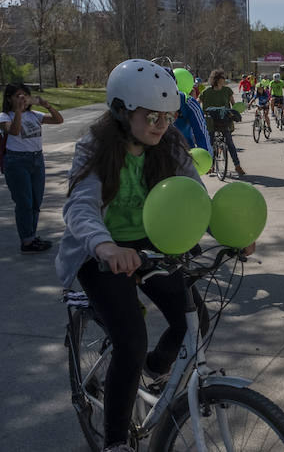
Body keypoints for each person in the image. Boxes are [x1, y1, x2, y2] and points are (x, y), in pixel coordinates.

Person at [54, 59, 256, 452]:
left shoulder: (170, 146)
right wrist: (106, 246)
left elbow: (196, 198)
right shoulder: (95, 147)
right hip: (101, 251)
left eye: (167, 117)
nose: (161, 125)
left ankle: (153, 369)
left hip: (152, 245)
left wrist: (231, 234)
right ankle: (115, 442)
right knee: (130, 339)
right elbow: (80, 207)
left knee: (192, 319)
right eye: (151, 117)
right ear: (120, 111)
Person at [1, 83, 64, 253]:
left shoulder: (35, 115)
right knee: (24, 203)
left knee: (36, 202)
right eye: (18, 96)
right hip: (17, 161)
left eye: (25, 96)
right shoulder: (4, 116)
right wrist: (19, 111)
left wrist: (47, 105)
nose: (23, 99)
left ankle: (32, 237)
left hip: (37, 159)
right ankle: (27, 241)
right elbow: (13, 132)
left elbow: (59, 120)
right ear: (9, 99)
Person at [199, 68, 244, 176]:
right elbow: (197, 104)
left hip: (224, 122)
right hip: (210, 122)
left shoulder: (227, 91)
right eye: (223, 77)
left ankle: (237, 166)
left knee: (230, 144)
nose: (224, 79)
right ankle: (210, 166)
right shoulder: (206, 92)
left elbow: (234, 105)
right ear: (217, 79)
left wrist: (237, 112)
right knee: (209, 145)